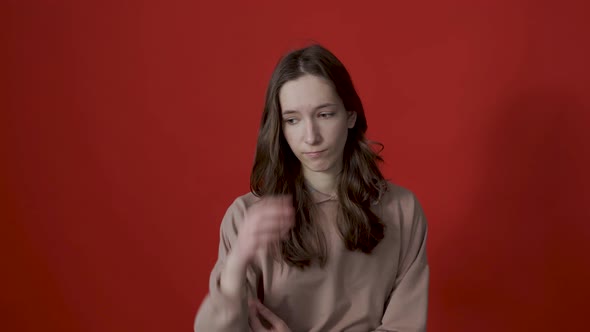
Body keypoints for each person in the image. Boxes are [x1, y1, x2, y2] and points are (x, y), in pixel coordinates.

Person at [194, 44, 429, 332]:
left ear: (350, 116)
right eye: (292, 120)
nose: (310, 137)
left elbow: (404, 327)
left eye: (325, 114)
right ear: (280, 128)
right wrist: (235, 264)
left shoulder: (402, 209)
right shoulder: (245, 215)